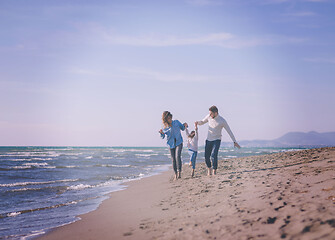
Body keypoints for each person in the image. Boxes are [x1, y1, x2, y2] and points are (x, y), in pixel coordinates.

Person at [196, 105, 241, 176]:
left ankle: (214, 170)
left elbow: (229, 131)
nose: (210, 115)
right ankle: (209, 169)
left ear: (215, 113)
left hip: (217, 140)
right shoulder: (209, 117)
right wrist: (197, 122)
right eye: (209, 113)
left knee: (214, 155)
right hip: (209, 139)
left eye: (211, 113)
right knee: (206, 156)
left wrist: (234, 141)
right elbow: (202, 122)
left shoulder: (222, 120)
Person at [159, 111, 188, 180]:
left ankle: (179, 172)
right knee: (173, 160)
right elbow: (162, 137)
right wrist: (161, 133)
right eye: (168, 118)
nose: (170, 119)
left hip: (179, 142)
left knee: (177, 156)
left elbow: (182, 128)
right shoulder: (165, 127)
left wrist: (185, 125)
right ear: (165, 119)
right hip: (170, 144)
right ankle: (175, 174)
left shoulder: (176, 122)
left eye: (170, 117)